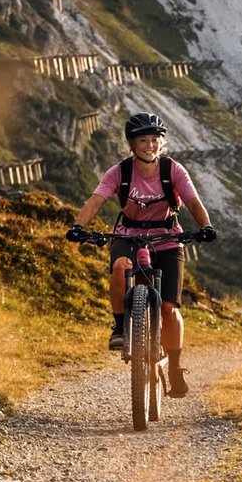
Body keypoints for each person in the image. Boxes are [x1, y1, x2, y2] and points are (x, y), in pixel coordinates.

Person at [66, 112, 217, 396]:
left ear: (162, 143)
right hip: (129, 235)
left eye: (155, 140)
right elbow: (96, 201)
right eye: (143, 140)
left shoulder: (173, 171)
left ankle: (174, 367)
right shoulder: (120, 172)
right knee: (120, 267)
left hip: (167, 238)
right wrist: (78, 226)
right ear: (132, 145)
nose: (150, 145)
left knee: (170, 308)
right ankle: (121, 327)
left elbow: (194, 202)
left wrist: (205, 226)